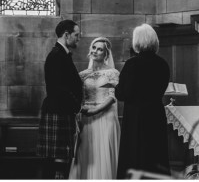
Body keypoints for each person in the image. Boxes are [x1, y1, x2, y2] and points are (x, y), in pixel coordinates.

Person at [116, 24, 170, 178]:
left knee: (136, 155)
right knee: (156, 155)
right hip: (156, 114)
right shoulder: (162, 64)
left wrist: (116, 87)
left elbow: (123, 93)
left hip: (136, 117)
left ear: (137, 41)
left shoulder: (132, 64)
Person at [37, 19, 84, 179]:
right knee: (54, 161)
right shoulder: (56, 56)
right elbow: (59, 89)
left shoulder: (62, 54)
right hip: (58, 110)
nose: (78, 38)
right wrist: (77, 106)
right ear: (66, 34)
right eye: (76, 35)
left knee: (60, 160)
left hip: (62, 110)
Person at [69, 37, 120, 180]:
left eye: (100, 49)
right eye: (94, 48)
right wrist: (83, 111)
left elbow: (112, 96)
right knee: (87, 153)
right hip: (87, 119)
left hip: (105, 117)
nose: (95, 51)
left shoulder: (112, 73)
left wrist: (95, 111)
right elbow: (80, 97)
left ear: (106, 54)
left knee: (102, 154)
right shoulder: (83, 75)